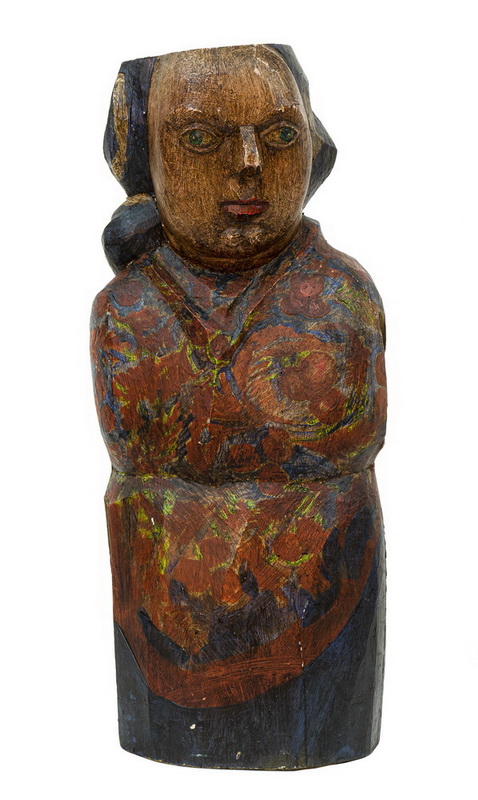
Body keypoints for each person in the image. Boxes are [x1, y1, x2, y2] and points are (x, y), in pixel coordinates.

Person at [91, 44, 387, 770]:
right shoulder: (127, 309)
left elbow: (344, 434)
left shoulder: (340, 298)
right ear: (145, 157)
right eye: (201, 137)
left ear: (312, 147)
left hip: (324, 629)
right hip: (162, 634)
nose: (250, 163)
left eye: (280, 133)